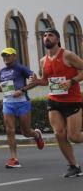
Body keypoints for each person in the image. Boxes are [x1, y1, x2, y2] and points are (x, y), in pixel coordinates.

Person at [29, 29, 83, 178]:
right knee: (59, 133)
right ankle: (74, 166)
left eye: (50, 35)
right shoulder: (43, 60)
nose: (46, 38)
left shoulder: (67, 55)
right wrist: (37, 81)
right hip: (54, 100)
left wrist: (71, 81)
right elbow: (46, 80)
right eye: (45, 36)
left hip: (72, 101)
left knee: (74, 136)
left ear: (57, 39)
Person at [0, 47, 44, 168]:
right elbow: (5, 89)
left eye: (8, 55)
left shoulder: (21, 68)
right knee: (9, 130)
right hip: (8, 103)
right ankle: (13, 158)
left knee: (26, 132)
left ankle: (37, 135)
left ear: (14, 56)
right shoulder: (2, 72)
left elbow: (35, 81)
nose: (5, 58)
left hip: (22, 103)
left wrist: (22, 90)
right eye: (4, 56)